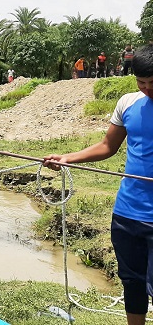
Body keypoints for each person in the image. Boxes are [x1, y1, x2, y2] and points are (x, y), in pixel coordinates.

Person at [43, 44, 153, 325]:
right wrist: (67, 158)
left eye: (152, 83)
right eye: (141, 82)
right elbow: (107, 146)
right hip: (128, 213)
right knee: (132, 282)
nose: (146, 89)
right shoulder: (128, 103)